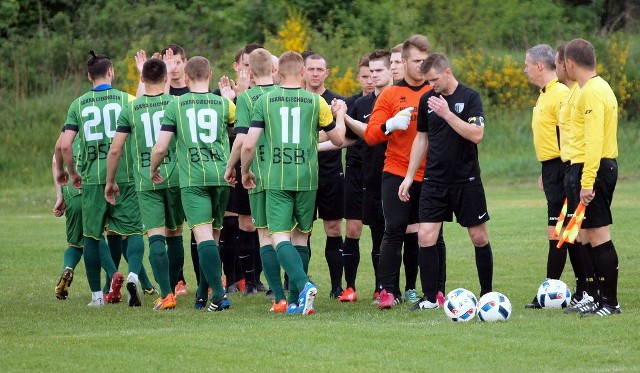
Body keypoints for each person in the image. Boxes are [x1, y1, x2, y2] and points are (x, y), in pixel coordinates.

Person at [241, 51, 345, 315]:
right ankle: (298, 299)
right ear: (302, 73)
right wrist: (339, 115)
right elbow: (338, 140)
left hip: (277, 177)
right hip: (307, 178)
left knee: (276, 236)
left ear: (277, 73)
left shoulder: (264, 101)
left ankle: (300, 286)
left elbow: (249, 143)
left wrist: (245, 171)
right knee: (300, 237)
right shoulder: (316, 101)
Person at [399, 53, 494, 310]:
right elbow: (422, 138)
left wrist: (448, 114)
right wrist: (409, 176)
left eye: (434, 80)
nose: (431, 85)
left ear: (448, 72)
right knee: (426, 235)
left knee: (478, 237)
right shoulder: (426, 100)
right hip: (434, 180)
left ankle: (487, 294)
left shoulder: (470, 97)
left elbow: (477, 134)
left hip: (466, 180)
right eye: (428, 81)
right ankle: (431, 298)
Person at [56, 51, 143, 307]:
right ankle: (134, 275)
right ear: (112, 72)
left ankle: (96, 296)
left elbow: (65, 145)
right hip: (124, 176)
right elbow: (142, 108)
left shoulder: (78, 104)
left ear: (88, 76)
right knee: (134, 231)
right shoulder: (126, 100)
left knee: (92, 236)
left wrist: (71, 173)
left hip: (92, 179)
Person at [363, 35, 445, 309]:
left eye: (426, 60)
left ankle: (436, 291)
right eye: (417, 61)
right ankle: (387, 291)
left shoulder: (436, 92)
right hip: (397, 172)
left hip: (431, 174)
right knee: (394, 230)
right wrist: (391, 125)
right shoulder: (389, 94)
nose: (423, 66)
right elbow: (371, 135)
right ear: (405, 61)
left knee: (434, 233)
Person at [150, 56, 235, 312]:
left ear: (185, 78)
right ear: (210, 76)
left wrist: (153, 168)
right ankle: (201, 293)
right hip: (221, 175)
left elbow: (161, 147)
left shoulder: (176, 106)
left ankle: (218, 296)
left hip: (194, 178)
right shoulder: (224, 104)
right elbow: (239, 134)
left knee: (202, 236)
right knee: (213, 236)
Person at [104, 57, 182, 310]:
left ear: (141, 79)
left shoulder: (131, 109)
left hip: (146, 180)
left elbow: (115, 150)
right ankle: (174, 288)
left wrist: (110, 181)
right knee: (176, 234)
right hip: (177, 177)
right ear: (167, 78)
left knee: (155, 236)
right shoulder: (176, 104)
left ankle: (167, 294)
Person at [224, 47, 287, 311]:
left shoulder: (247, 98)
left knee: (262, 232)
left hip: (258, 172)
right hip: (288, 171)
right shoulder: (286, 94)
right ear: (275, 71)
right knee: (290, 233)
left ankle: (275, 291)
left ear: (248, 71)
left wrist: (232, 167)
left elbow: (241, 140)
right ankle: (291, 283)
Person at [563, 38, 620, 317]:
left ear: (571, 63)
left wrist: (587, 182)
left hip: (594, 168)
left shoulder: (593, 92)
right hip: (583, 167)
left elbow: (595, 139)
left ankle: (610, 302)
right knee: (585, 234)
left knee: (598, 234)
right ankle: (596, 297)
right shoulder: (589, 89)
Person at [522, 44, 571, 309]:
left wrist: (565, 170)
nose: (524, 69)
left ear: (539, 65)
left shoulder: (560, 93)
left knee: (564, 232)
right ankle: (553, 289)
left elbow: (568, 135)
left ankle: (577, 289)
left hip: (563, 169)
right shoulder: (545, 94)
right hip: (551, 169)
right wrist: (546, 171)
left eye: (527, 64)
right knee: (558, 233)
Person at [554, 43, 599, 314]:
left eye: (560, 63)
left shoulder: (586, 93)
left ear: (568, 64)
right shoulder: (573, 94)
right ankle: (587, 291)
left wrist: (584, 177)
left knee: (585, 233)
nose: (559, 68)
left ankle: (593, 292)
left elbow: (590, 138)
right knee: (576, 234)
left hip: (582, 168)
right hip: (570, 168)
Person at [303, 53, 347, 298]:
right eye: (311, 69)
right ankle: (298, 281)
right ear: (303, 72)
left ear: (327, 73)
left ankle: (336, 286)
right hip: (302, 175)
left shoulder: (337, 102)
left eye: (320, 69)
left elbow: (343, 139)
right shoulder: (297, 101)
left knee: (333, 228)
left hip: (330, 174)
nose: (316, 73)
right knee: (301, 230)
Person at [336, 54, 373, 302]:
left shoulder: (386, 101)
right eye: (365, 76)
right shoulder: (350, 104)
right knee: (353, 228)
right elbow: (342, 139)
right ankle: (349, 287)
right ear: (358, 77)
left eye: (373, 75)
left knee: (382, 231)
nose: (370, 80)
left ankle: (384, 287)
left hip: (380, 172)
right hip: (355, 171)